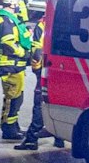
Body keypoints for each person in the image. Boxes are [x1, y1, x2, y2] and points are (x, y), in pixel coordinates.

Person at [0, 0, 35, 142]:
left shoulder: (9, 17)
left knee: (17, 97)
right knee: (13, 98)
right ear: (13, 2)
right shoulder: (5, 19)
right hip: (9, 64)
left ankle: (12, 125)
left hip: (14, 65)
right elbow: (8, 42)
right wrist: (22, 53)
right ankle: (8, 128)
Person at [14, 16, 63, 150]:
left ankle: (31, 138)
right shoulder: (68, 19)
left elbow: (37, 51)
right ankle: (59, 137)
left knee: (40, 103)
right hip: (63, 68)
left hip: (46, 69)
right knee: (57, 102)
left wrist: (36, 70)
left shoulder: (43, 24)